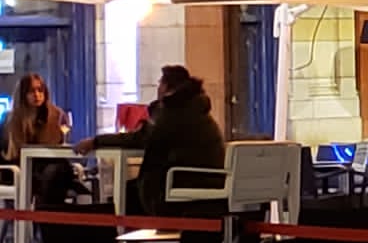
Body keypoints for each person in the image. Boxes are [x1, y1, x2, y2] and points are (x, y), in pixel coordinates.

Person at [79, 65, 225, 214]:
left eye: (160, 83)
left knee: (124, 196)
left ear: (166, 86)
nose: (158, 88)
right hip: (209, 182)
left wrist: (96, 141)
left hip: (179, 185)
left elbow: (139, 138)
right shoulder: (197, 110)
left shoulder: (173, 112)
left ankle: (122, 234)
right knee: (131, 191)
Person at [1, 73, 76, 207]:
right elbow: (19, 150)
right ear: (23, 94)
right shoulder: (14, 118)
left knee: (58, 171)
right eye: (31, 91)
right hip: (21, 167)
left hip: (50, 164)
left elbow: (56, 143)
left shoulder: (54, 114)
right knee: (53, 175)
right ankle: (46, 219)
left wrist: (49, 120)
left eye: (40, 90)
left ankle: (46, 218)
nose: (37, 95)